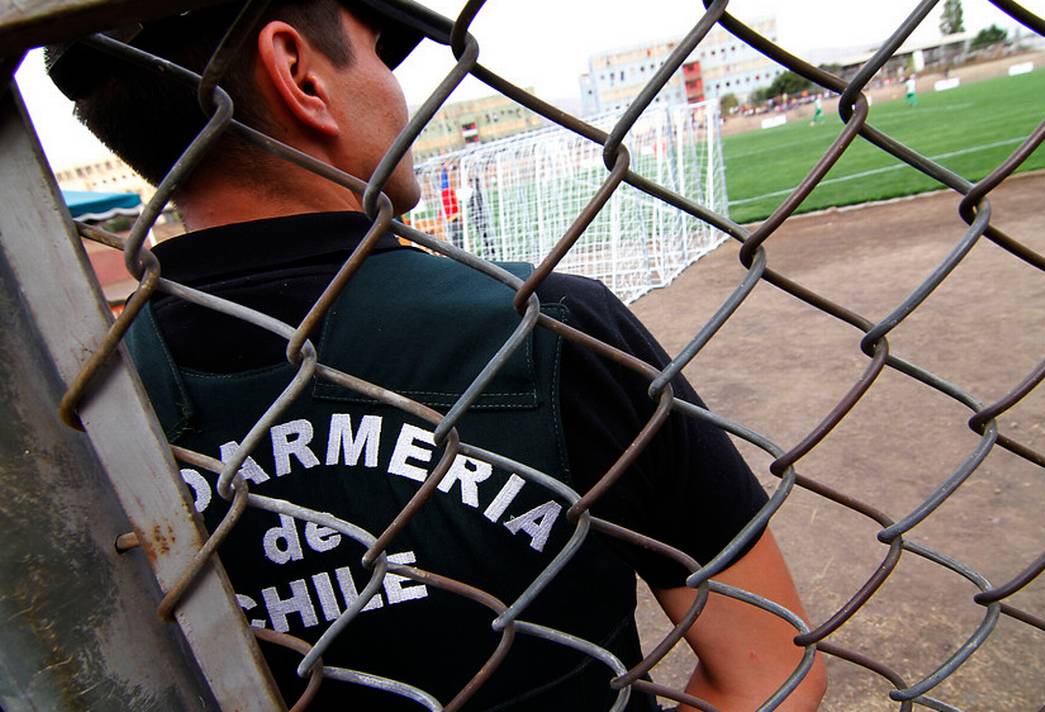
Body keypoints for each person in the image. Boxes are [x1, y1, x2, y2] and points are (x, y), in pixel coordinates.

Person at [48, 1, 826, 709]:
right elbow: (768, 669)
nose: (399, 93)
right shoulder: (550, 328)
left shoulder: (76, 408)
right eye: (379, 52)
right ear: (298, 74)